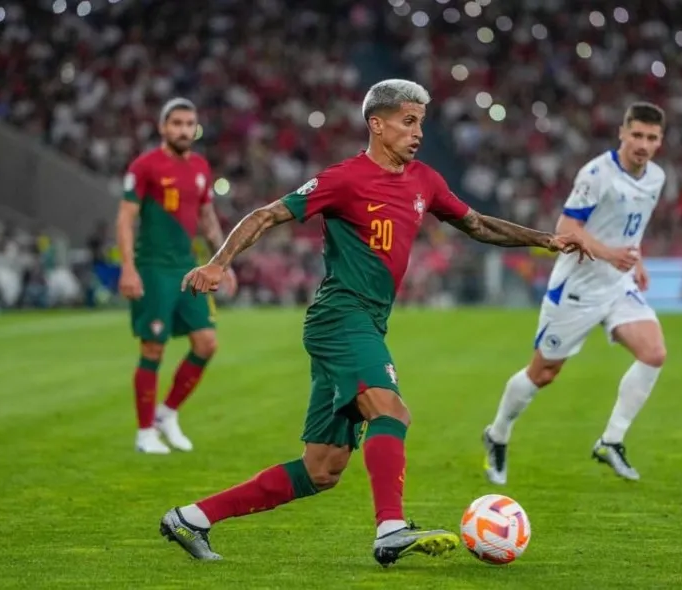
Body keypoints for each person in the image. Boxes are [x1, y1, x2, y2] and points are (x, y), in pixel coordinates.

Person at [158, 79, 592, 566]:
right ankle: (390, 528)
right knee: (391, 411)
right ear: (377, 124)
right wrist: (219, 262)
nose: (418, 133)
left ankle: (190, 518)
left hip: (364, 323)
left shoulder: (425, 180)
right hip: (341, 317)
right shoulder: (344, 179)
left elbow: (477, 224)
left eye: (421, 123)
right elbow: (266, 214)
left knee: (321, 469)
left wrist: (546, 239)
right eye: (409, 122)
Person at [483, 102, 669, 483]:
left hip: (618, 284)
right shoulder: (596, 174)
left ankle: (611, 441)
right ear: (622, 133)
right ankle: (497, 433)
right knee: (544, 372)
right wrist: (611, 254)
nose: (643, 144)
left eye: (651, 138)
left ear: (660, 141)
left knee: (654, 353)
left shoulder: (656, 178)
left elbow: (632, 228)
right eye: (636, 135)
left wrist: (637, 261)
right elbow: (566, 227)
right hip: (578, 287)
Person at [116, 98, 238, 455]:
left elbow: (208, 218)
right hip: (153, 268)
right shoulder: (145, 166)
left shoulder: (200, 166)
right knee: (153, 347)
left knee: (206, 343)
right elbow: (125, 218)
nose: (184, 130)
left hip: (188, 267)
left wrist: (223, 262)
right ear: (163, 127)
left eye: (189, 124)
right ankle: (143, 434)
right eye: (177, 123)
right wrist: (128, 266)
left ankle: (166, 414)